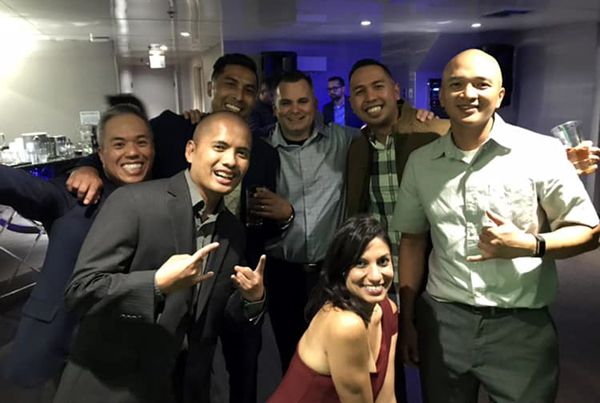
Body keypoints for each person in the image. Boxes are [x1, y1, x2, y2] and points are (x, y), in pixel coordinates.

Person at [392, 49, 599, 402]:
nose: (468, 94)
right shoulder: (422, 163)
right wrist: (408, 320)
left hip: (521, 326)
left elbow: (589, 231)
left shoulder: (541, 152)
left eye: (481, 84)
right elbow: (412, 241)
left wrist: (531, 244)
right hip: (444, 320)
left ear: (500, 95)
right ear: (441, 95)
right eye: (456, 84)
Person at [53, 111, 265, 403]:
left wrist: (253, 300)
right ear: (191, 151)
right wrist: (155, 284)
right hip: (112, 386)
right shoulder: (134, 202)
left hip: (183, 388)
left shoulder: (233, 231)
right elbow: (80, 291)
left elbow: (215, 317)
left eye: (242, 153)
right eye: (219, 147)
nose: (230, 161)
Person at [0, 104, 154, 390]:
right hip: (56, 350)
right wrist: (85, 167)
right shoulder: (72, 194)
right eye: (119, 144)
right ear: (101, 154)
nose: (133, 152)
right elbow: (14, 184)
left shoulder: (159, 199)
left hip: (123, 361)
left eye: (141, 142)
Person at [259, 70, 358, 372]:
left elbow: (387, 131)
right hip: (281, 274)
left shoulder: (345, 141)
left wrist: (414, 116)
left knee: (338, 359)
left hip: (331, 273)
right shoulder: (259, 150)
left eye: (302, 101)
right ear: (274, 108)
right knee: (292, 358)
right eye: (286, 103)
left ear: (315, 104)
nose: (295, 109)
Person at [268, 216, 397, 403]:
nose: (376, 276)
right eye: (361, 263)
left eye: (383, 261)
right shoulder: (345, 325)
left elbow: (387, 397)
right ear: (342, 270)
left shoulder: (388, 310)